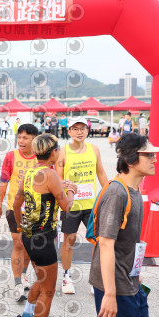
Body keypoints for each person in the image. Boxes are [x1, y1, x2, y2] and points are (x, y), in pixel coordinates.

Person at [65, 133, 159, 317]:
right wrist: (109, 294)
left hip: (129, 277)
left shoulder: (135, 190)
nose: (155, 159)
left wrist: (136, 271)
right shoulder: (117, 194)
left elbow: (129, 241)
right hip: (116, 283)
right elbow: (106, 244)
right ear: (130, 160)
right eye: (148, 155)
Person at [13, 133, 77, 317]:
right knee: (48, 290)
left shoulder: (30, 172)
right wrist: (71, 191)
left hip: (30, 236)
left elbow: (16, 204)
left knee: (41, 280)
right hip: (43, 238)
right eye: (58, 149)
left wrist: (21, 226)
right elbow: (67, 206)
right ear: (53, 152)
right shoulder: (50, 174)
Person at [56, 117, 108, 294]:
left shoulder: (94, 149)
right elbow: (58, 178)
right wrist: (65, 186)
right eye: (75, 128)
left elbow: (101, 173)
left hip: (91, 205)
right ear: (69, 131)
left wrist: (109, 193)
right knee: (69, 240)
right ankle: (66, 276)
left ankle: (95, 279)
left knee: (97, 241)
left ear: (88, 130)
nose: (79, 132)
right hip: (71, 204)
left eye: (83, 128)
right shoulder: (63, 152)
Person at [0, 123, 39, 301]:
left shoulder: (41, 157)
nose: (21, 140)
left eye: (25, 138)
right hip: (15, 208)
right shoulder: (11, 156)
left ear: (35, 139)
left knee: (30, 244)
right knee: (18, 243)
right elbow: (4, 181)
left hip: (36, 209)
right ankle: (18, 283)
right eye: (19, 137)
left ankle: (25, 274)